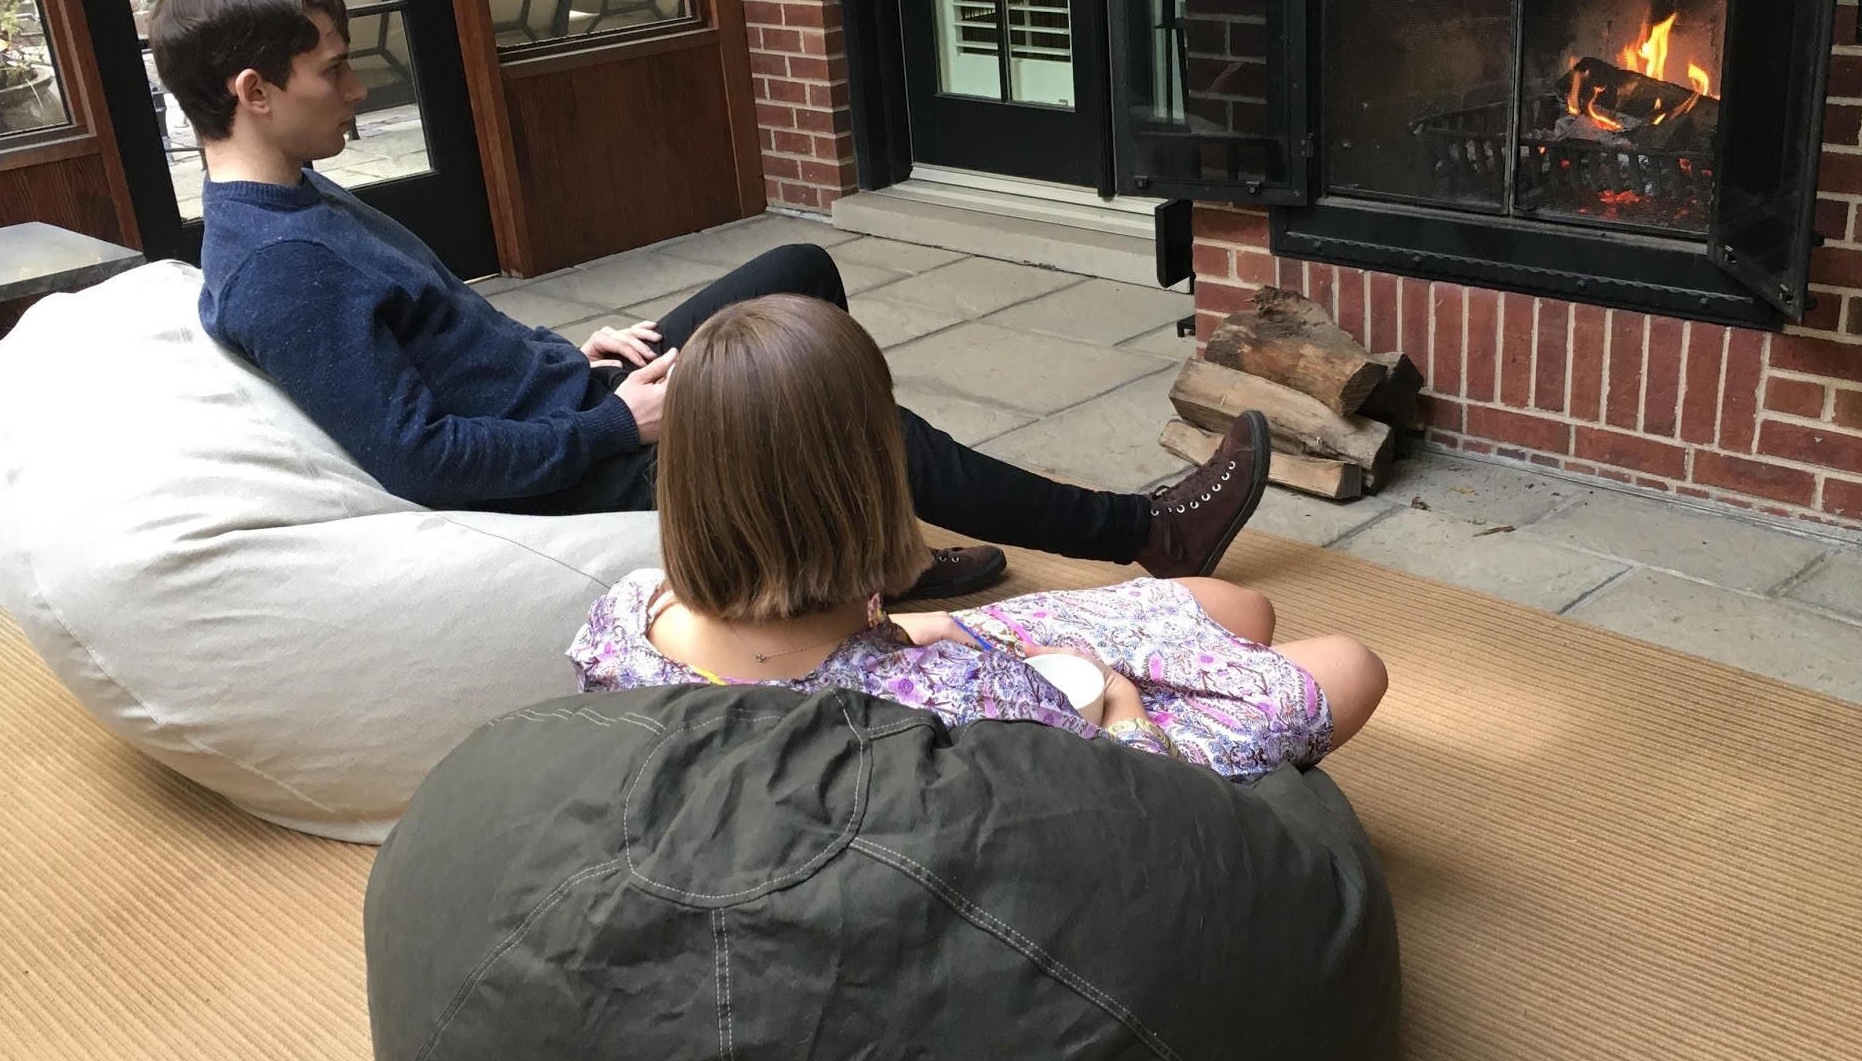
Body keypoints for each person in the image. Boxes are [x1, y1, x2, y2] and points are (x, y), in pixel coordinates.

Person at [149, 0, 1270, 605]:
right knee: (840, 408)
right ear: (253, 90)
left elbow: (443, 343)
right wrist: (620, 429)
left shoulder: (301, 195)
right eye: (332, 71)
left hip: (576, 400)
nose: (355, 91)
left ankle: (866, 547)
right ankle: (1142, 533)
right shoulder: (280, 266)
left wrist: (573, 356)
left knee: (797, 267)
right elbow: (424, 462)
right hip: (575, 469)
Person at [570, 294, 1388, 780]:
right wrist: (1126, 706)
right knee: (1351, 664)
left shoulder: (629, 612)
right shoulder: (969, 702)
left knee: (1231, 606)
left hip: (868, 651)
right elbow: (1130, 797)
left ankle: (1165, 539)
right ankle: (1158, 558)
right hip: (998, 721)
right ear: (876, 486)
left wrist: (905, 630)